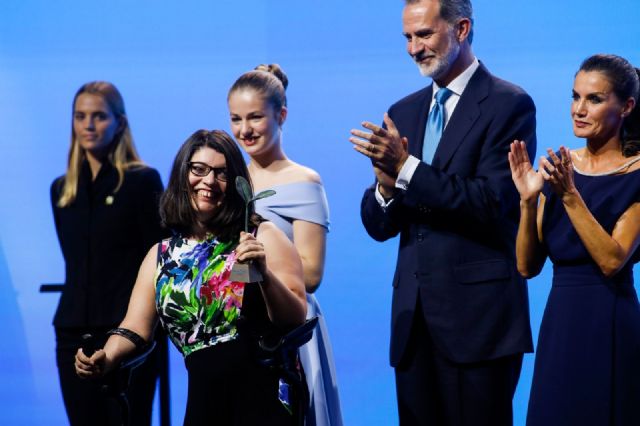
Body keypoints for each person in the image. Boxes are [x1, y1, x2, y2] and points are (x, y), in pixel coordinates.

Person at [349, 0, 536, 424]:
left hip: (479, 324)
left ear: (462, 29)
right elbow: (381, 227)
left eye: (425, 34)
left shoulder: (509, 104)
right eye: (408, 37)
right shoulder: (403, 112)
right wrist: (384, 186)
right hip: (413, 325)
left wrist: (406, 168)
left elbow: (491, 202)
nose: (414, 48)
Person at [75, 129, 308, 425]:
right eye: (199, 169)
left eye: (221, 173)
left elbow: (295, 318)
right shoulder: (160, 255)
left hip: (262, 398)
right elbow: (134, 328)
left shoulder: (261, 236)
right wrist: (106, 358)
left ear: (237, 183)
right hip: (203, 402)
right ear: (182, 175)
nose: (209, 181)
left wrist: (264, 276)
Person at [509, 54, 640, 426]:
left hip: (609, 321)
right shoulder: (560, 167)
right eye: (575, 96)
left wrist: (569, 195)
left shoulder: (635, 175)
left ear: (626, 106)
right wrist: (528, 199)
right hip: (561, 322)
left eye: (594, 99)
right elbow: (526, 266)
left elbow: (612, 260)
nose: (579, 110)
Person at [227, 64, 344, 426]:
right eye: (235, 119)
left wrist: (261, 265)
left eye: (255, 117)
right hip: (236, 325)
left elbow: (310, 274)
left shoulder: (304, 180)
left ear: (282, 115)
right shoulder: (228, 178)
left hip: (287, 328)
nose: (244, 130)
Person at [50, 81, 163, 426]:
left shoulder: (142, 182)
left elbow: (160, 258)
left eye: (99, 116)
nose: (88, 124)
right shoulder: (61, 190)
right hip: (72, 330)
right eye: (80, 116)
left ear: (119, 122)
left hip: (127, 332)